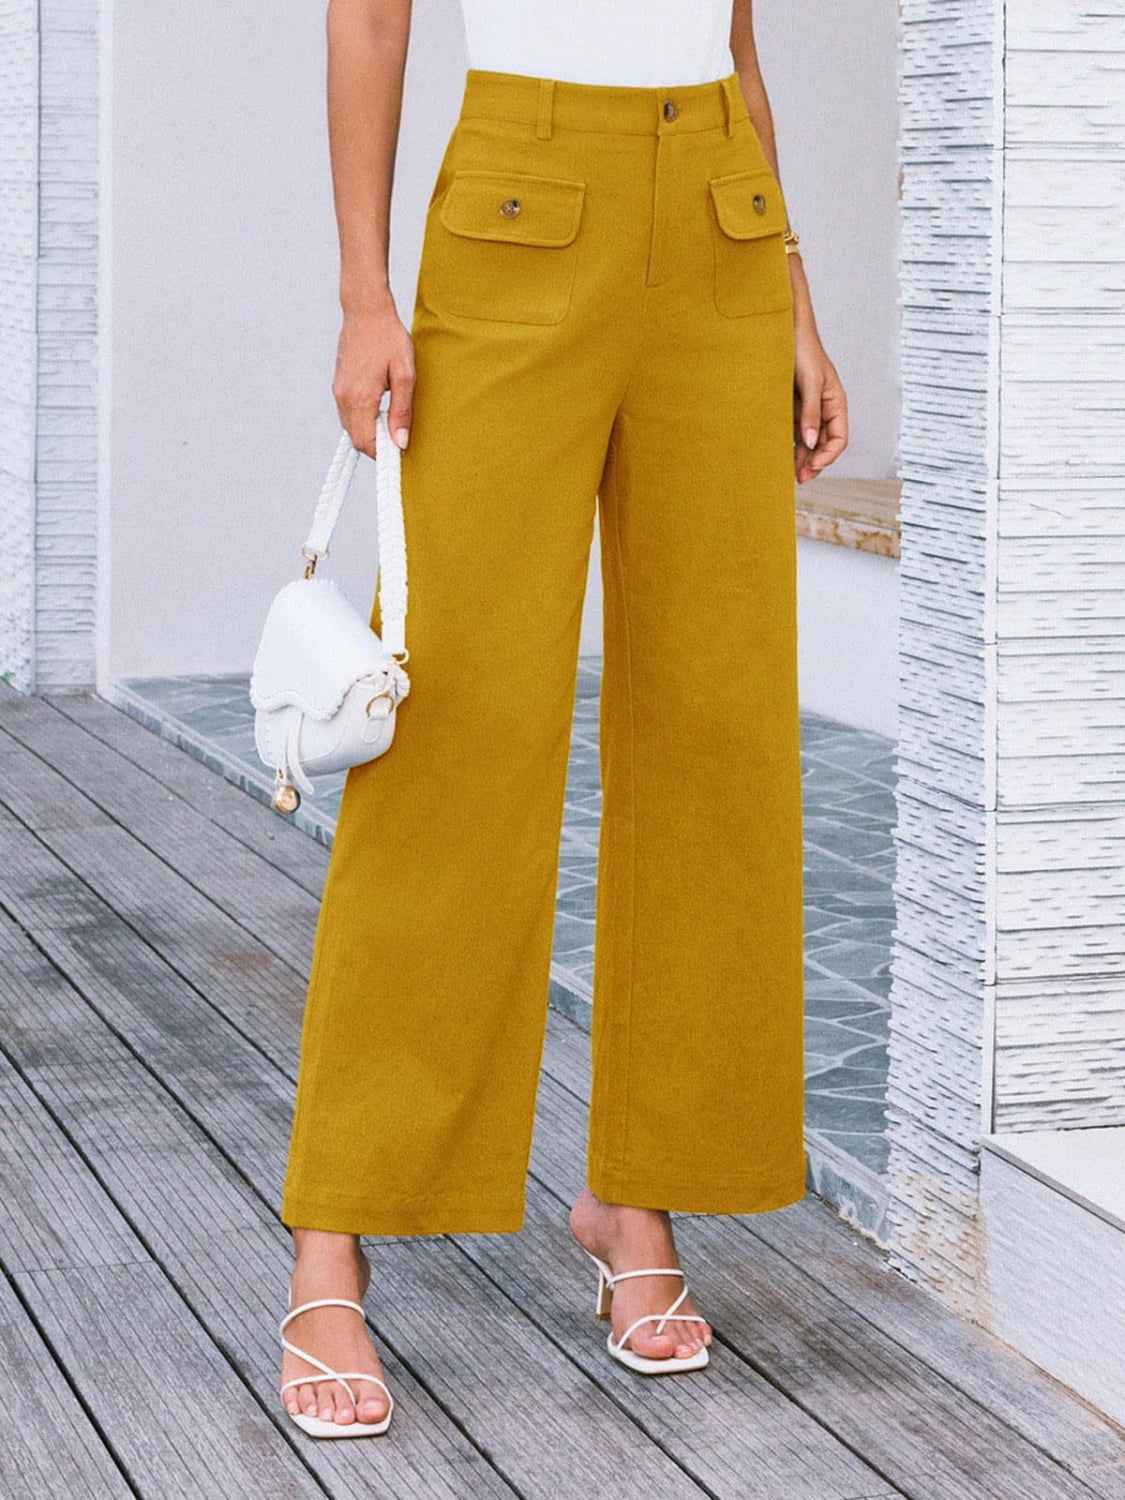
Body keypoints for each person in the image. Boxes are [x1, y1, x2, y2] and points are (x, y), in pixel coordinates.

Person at [278, 0, 847, 1437]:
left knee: (713, 739)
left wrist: (792, 299)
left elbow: (733, 42)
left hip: (720, 224)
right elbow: (370, 20)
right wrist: (364, 295)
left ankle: (633, 1201)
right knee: (449, 741)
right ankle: (333, 1234)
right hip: (517, 206)